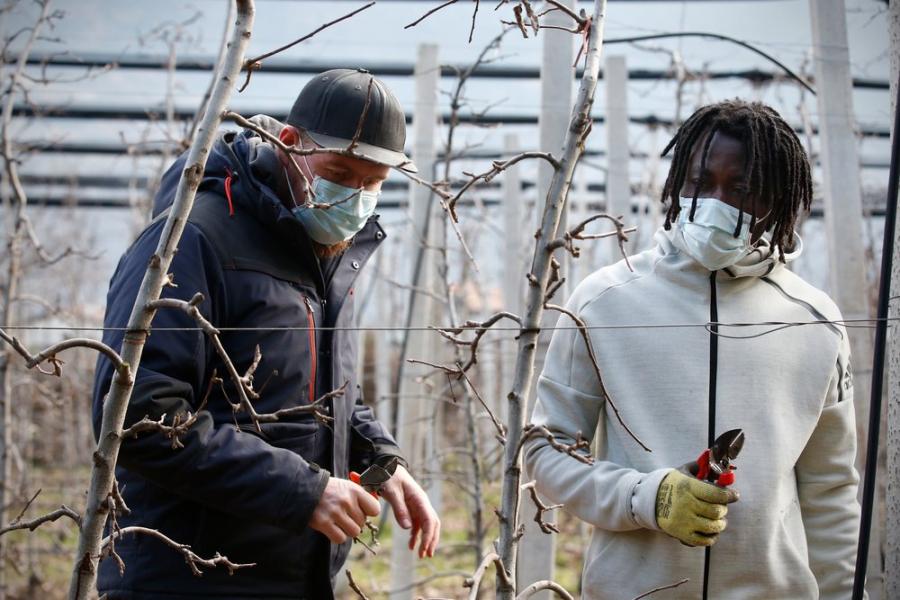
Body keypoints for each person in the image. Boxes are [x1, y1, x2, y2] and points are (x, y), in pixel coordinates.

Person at [92, 68, 440, 599]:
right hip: (189, 578)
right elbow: (141, 417)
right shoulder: (193, 239)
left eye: (373, 182)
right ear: (289, 143)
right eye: (340, 172)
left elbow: (323, 388)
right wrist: (303, 491)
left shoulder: (321, 249)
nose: (354, 196)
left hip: (291, 573)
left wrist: (379, 459)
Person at [523, 99, 862, 599]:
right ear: (677, 183)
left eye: (742, 188)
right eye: (700, 183)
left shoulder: (816, 322)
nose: (716, 201)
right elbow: (545, 449)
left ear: (780, 198)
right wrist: (646, 496)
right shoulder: (603, 302)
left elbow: (830, 491)